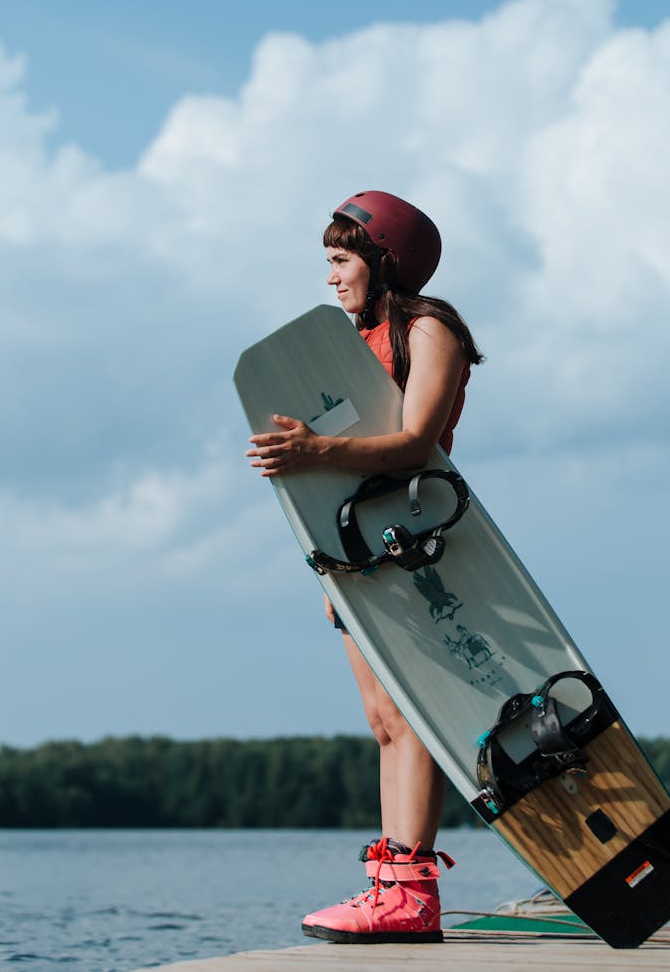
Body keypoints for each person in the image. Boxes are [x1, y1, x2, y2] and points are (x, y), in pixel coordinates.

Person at [247, 190, 483, 942]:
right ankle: (387, 888)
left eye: (342, 260)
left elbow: (417, 441)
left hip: (415, 541)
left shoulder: (429, 328)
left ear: (387, 261)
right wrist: (327, 564)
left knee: (413, 715)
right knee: (383, 721)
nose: (331, 277)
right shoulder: (354, 337)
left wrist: (314, 449)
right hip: (355, 547)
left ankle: (412, 893)